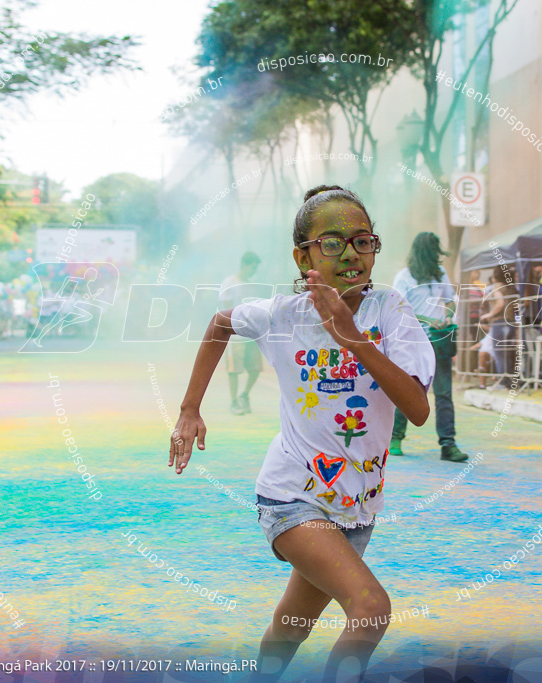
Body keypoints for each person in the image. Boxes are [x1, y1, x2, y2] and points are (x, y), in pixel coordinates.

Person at [169, 185, 434, 682]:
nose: (351, 254)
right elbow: (220, 324)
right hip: (292, 495)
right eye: (331, 243)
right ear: (303, 255)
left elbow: (417, 409)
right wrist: (189, 409)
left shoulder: (390, 311)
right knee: (370, 608)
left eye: (363, 241)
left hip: (357, 503)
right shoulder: (281, 315)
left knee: (291, 627)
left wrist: (352, 337)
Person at [390, 232, 468, 462]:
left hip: (439, 340)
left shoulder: (439, 274)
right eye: (433, 251)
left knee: (444, 394)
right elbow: (399, 310)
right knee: (408, 391)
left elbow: (451, 299)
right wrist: (427, 319)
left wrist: (449, 317)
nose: (437, 255)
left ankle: (448, 444)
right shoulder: (404, 277)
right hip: (412, 344)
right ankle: (395, 438)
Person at [220, 251, 263, 415]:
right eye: (252, 268)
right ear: (244, 265)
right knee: (234, 369)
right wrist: (231, 329)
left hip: (250, 333)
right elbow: (226, 308)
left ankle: (244, 395)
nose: (254, 271)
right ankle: (234, 402)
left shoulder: (252, 284)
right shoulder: (229, 282)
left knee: (255, 368)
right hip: (235, 333)